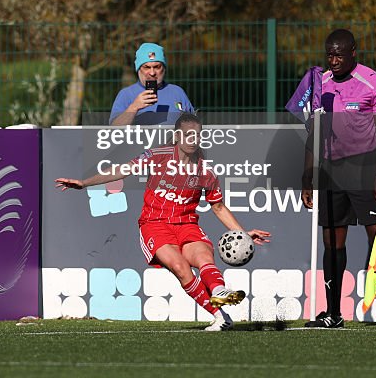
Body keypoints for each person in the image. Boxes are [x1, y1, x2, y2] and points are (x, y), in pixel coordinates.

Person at [56, 113, 270, 332]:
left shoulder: (206, 171)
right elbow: (123, 170)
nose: (192, 140)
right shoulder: (158, 156)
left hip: (187, 224)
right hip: (155, 224)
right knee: (180, 267)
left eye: (196, 135)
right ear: (177, 136)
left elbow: (218, 207)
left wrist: (242, 234)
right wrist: (84, 183)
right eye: (187, 135)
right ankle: (220, 315)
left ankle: (219, 293)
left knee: (204, 256)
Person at [300, 29, 376, 329]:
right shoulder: (318, 84)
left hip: (365, 169)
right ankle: (333, 314)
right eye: (329, 54)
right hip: (331, 172)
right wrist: (307, 175)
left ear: (353, 52)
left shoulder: (374, 83)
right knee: (332, 242)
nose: (333, 60)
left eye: (339, 54)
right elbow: (313, 134)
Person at [110, 42, 195, 125]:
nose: (152, 73)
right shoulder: (126, 94)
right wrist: (134, 107)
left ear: (164, 68)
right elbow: (114, 130)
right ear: (138, 69)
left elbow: (194, 126)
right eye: (146, 67)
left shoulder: (177, 92)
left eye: (157, 67)